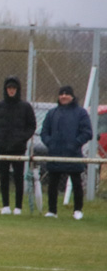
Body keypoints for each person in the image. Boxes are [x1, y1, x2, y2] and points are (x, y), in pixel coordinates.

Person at [41, 85, 93, 220]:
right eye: (61, 94)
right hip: (55, 154)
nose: (64, 96)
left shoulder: (81, 113)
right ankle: (52, 210)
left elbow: (87, 133)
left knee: (76, 183)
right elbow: (44, 132)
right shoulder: (52, 113)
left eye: (67, 94)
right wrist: (50, 143)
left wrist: (75, 144)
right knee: (52, 183)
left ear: (72, 96)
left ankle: (77, 210)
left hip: (73, 154)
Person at [0, 76, 36, 215]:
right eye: (9, 88)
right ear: (5, 89)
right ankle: (6, 206)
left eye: (13, 88)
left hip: (18, 148)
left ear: (18, 89)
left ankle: (18, 207)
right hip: (2, 148)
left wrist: (21, 139)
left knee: (18, 177)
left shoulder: (25, 107)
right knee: (3, 177)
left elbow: (31, 126)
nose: (11, 91)